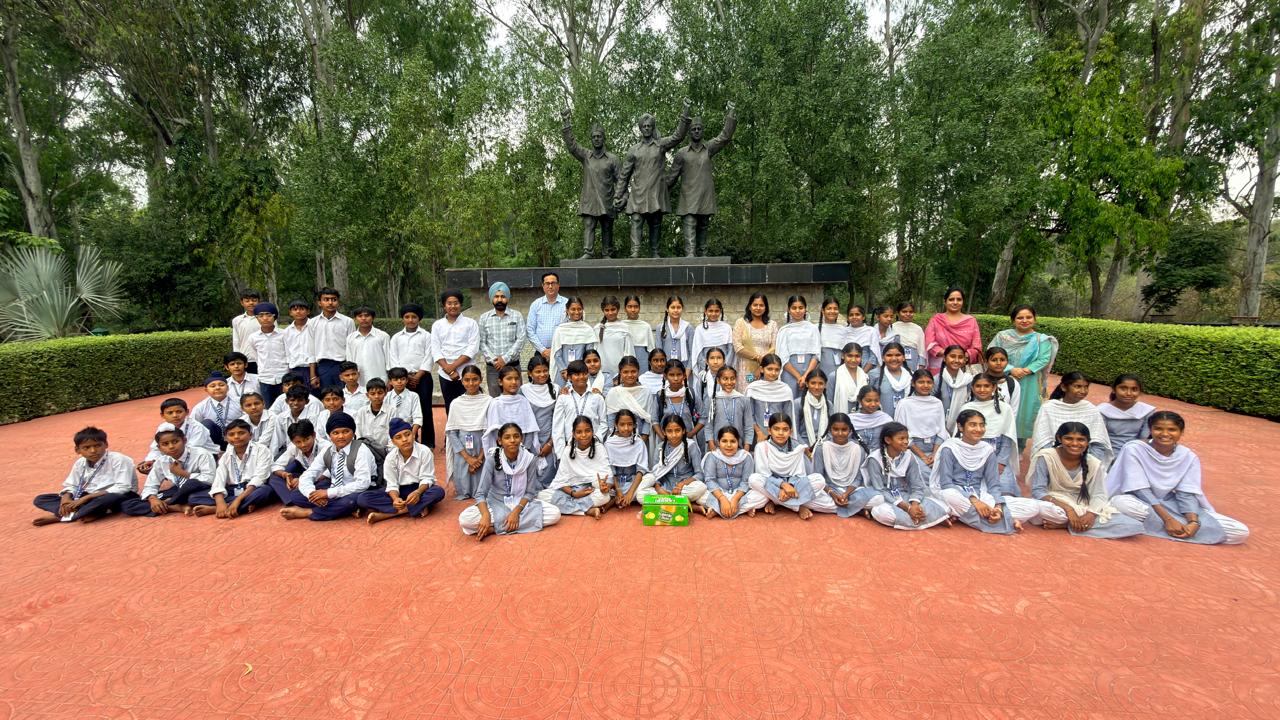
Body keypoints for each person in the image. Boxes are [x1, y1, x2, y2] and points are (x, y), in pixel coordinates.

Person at [1107, 411, 1249, 545]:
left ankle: (1171, 528)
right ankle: (1172, 527)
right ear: (1150, 430)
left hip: (1172, 504)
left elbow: (1186, 493)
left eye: (1172, 430)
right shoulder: (1134, 448)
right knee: (1121, 503)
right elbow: (1139, 489)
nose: (1165, 434)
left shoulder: (1188, 456)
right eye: (1158, 429)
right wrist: (1168, 519)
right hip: (1139, 500)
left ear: (1181, 432)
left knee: (1240, 532)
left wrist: (1193, 522)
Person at [1028, 422, 1143, 538]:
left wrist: (1091, 514)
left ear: (1088, 442)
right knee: (1044, 510)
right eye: (1069, 438)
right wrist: (1069, 509)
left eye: (1081, 440)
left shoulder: (1093, 463)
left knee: (1134, 525)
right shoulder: (1046, 457)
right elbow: (1038, 491)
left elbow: (1099, 494)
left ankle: (1067, 525)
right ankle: (1076, 523)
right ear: (1059, 438)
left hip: (1082, 505)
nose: (1075, 443)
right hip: (1054, 503)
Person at [937, 410, 1038, 533]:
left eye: (982, 425)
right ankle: (1006, 521)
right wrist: (974, 501)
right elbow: (946, 484)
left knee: (1033, 507)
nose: (978, 429)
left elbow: (993, 485)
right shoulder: (949, 448)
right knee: (948, 495)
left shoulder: (987, 450)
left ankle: (966, 516)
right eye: (973, 425)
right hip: (958, 495)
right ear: (960, 427)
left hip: (981, 495)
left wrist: (998, 507)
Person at [615, 101, 692, 257]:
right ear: (640, 128)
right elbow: (624, 175)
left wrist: (685, 112)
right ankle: (635, 251)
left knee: (655, 222)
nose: (646, 128)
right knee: (636, 220)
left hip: (656, 192)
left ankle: (655, 252)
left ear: (652, 127)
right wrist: (618, 195)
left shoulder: (660, 145)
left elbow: (678, 136)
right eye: (644, 126)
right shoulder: (633, 150)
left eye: (649, 126)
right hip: (638, 193)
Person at [458, 423, 562, 538]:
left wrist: (516, 513)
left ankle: (494, 529)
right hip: (496, 503)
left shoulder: (529, 459)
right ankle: (513, 524)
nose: (512, 440)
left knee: (555, 514)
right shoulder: (492, 459)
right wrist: (486, 515)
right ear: (500, 441)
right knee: (465, 519)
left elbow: (530, 493)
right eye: (507, 437)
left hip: (521, 504)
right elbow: (481, 493)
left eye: (516, 436)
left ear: (521, 439)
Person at [667, 104, 737, 256]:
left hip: (705, 195)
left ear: (702, 130)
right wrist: (658, 189)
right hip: (688, 196)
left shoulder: (708, 148)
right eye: (694, 129)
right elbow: (671, 177)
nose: (697, 131)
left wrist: (731, 113)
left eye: (699, 128)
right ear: (689, 132)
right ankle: (690, 254)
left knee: (704, 225)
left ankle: (703, 253)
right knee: (690, 223)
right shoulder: (681, 153)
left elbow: (725, 137)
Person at [280, 412, 376, 521]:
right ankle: (336, 508)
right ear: (329, 435)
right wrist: (312, 494)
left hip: (356, 491)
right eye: (335, 433)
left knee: (351, 501)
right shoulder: (328, 450)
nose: (341, 436)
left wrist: (328, 493)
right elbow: (308, 474)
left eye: (346, 431)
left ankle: (308, 512)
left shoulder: (361, 450)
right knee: (296, 495)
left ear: (353, 432)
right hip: (334, 488)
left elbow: (363, 483)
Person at [32, 427, 138, 526]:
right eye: (86, 447)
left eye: (97, 445)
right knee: (41, 499)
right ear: (77, 450)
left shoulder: (119, 459)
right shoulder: (80, 463)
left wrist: (86, 498)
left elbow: (123, 487)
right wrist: (65, 500)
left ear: (106, 444)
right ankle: (86, 512)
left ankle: (63, 516)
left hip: (117, 496)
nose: (93, 450)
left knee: (109, 498)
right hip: (89, 497)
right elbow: (71, 485)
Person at [988, 305, 1058, 445]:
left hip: (1029, 380)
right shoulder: (1002, 336)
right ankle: (996, 443)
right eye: (1020, 317)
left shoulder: (1042, 340)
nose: (1024, 320)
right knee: (1000, 407)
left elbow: (1044, 359)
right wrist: (1011, 369)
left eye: (1028, 317)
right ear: (1013, 320)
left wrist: (1025, 370)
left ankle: (1019, 446)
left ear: (1034, 319)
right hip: (1002, 377)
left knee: (1025, 412)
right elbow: (991, 352)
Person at [862, 422, 951, 530]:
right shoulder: (875, 459)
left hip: (905, 495)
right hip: (886, 498)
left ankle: (914, 518)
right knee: (882, 513)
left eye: (907, 438)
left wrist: (914, 505)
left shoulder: (909, 456)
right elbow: (880, 489)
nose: (906, 442)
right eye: (901, 439)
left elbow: (917, 486)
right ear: (888, 440)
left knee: (945, 506)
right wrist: (907, 508)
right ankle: (928, 519)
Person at [358, 418, 445, 524]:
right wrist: (395, 499)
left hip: (419, 489)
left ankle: (389, 514)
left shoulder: (424, 451)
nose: (404, 439)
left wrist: (418, 492)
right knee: (363, 499)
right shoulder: (391, 457)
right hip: (400, 490)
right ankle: (417, 507)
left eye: (407, 434)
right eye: (398, 437)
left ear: (413, 435)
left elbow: (427, 478)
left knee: (438, 492)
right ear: (393, 442)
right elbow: (392, 484)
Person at [747, 412, 832, 519]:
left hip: (793, 487)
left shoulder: (797, 447)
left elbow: (800, 475)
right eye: (776, 429)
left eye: (785, 429)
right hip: (773, 486)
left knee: (819, 480)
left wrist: (789, 486)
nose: (780, 433)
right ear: (769, 430)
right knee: (754, 479)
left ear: (790, 432)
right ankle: (798, 506)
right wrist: (783, 485)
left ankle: (775, 501)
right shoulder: (762, 447)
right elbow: (763, 475)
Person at [560, 111, 621, 258]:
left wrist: (620, 198)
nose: (596, 139)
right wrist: (567, 123)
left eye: (599, 136)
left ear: (604, 138)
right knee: (589, 225)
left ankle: (607, 253)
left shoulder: (613, 159)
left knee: (607, 227)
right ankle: (588, 252)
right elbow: (572, 146)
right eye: (594, 137)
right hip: (590, 199)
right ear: (591, 139)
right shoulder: (586, 156)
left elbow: (620, 180)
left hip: (607, 199)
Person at [122, 423, 217, 516]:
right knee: (128, 505)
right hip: (178, 491)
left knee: (192, 487)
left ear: (184, 440)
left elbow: (210, 479)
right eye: (165, 444)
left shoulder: (201, 454)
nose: (171, 446)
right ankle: (175, 507)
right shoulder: (162, 460)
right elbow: (150, 485)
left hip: (201, 489)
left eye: (175, 442)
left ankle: (169, 502)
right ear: (159, 448)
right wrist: (153, 499)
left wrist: (183, 473)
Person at [197, 419, 275, 518]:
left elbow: (259, 478)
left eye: (241, 433)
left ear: (250, 435)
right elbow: (219, 479)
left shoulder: (262, 450)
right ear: (226, 438)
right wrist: (220, 502)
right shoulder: (226, 456)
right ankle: (239, 506)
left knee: (265, 491)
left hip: (252, 488)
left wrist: (238, 500)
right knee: (194, 497)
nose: (236, 437)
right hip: (233, 489)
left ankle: (222, 508)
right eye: (231, 434)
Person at [539, 415, 612, 518]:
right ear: (573, 434)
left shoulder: (599, 448)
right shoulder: (568, 451)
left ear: (593, 431)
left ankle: (571, 507)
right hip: (571, 492)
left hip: (589, 491)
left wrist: (605, 487)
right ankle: (586, 510)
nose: (584, 435)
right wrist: (574, 494)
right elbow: (561, 481)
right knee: (541, 496)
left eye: (587, 431)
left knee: (604, 497)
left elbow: (608, 477)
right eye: (579, 432)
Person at [1032, 372, 1112, 464]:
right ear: (1063, 387)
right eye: (1077, 386)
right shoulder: (1049, 408)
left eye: (1086, 387)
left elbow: (1098, 442)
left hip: (1085, 461)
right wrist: (1055, 461)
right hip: (1053, 460)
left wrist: (1089, 463)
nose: (1083, 391)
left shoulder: (1091, 410)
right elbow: (1043, 440)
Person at [958, 374, 1019, 494]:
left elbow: (1007, 438)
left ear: (994, 387)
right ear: (972, 388)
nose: (982, 389)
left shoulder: (1005, 408)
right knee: (969, 493)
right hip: (971, 458)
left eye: (986, 386)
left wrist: (1001, 463)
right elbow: (962, 438)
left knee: (1005, 491)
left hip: (997, 457)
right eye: (978, 386)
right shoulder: (966, 408)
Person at [809, 413, 876, 518]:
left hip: (851, 491)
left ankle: (845, 506)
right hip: (828, 490)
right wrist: (833, 494)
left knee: (878, 499)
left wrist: (846, 494)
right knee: (809, 497)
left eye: (844, 430)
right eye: (835, 429)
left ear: (850, 431)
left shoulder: (858, 449)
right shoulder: (821, 448)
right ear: (830, 430)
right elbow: (819, 477)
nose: (840, 433)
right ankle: (857, 508)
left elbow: (858, 479)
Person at [388, 302, 436, 449]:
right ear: (403, 318)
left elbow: (429, 356)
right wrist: (405, 377)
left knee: (425, 409)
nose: (410, 320)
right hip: (402, 378)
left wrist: (418, 375)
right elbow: (393, 358)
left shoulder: (426, 336)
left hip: (423, 377)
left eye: (414, 317)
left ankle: (428, 443)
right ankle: (409, 439)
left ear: (419, 318)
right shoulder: (396, 337)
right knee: (404, 409)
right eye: (407, 317)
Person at [698, 426, 768, 518]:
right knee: (699, 494)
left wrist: (735, 499)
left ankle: (717, 509)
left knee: (763, 496)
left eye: (733, 441)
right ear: (718, 442)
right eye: (724, 441)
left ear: (738, 442)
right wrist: (722, 499)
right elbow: (710, 480)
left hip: (740, 495)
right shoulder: (712, 456)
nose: (729, 445)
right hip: (717, 494)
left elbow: (746, 481)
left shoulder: (745, 457)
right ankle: (740, 509)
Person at [444, 366, 491, 501]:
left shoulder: (489, 401)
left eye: (475, 379)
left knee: (483, 484)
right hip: (462, 449)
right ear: (462, 381)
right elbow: (452, 433)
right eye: (467, 380)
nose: (471, 383)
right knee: (463, 482)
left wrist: (479, 458)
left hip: (482, 447)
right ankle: (463, 490)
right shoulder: (456, 403)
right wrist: (468, 458)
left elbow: (490, 433)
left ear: (481, 379)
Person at [638, 415, 707, 504]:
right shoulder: (660, 448)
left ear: (683, 431)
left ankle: (668, 501)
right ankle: (683, 503)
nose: (674, 435)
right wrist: (658, 489)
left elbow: (700, 474)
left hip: (685, 487)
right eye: (669, 431)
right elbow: (656, 474)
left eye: (677, 430)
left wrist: (682, 484)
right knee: (640, 495)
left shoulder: (691, 446)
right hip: (666, 487)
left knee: (701, 487)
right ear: (664, 432)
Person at [894, 369, 948, 485]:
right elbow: (900, 434)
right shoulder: (904, 404)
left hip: (935, 447)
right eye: (921, 382)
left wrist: (934, 454)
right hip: (912, 449)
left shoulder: (937, 403)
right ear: (913, 384)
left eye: (929, 382)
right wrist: (923, 456)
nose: (925, 385)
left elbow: (941, 431)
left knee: (943, 470)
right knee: (924, 473)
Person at [431, 289, 480, 414]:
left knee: (470, 407)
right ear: (444, 306)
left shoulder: (471, 323)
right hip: (445, 374)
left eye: (456, 303)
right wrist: (449, 370)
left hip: (467, 373)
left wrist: (452, 367)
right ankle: (452, 427)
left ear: (461, 304)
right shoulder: (437, 325)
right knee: (451, 407)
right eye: (449, 303)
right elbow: (435, 349)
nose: (453, 306)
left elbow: (472, 348)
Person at [137, 398, 217, 473]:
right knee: (148, 466)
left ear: (187, 412)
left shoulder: (197, 427)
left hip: (202, 456)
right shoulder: (163, 428)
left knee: (167, 465)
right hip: (177, 456)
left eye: (179, 412)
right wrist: (151, 460)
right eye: (170, 413)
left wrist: (164, 462)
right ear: (162, 415)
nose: (175, 415)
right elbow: (156, 448)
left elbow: (192, 450)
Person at [477, 282, 526, 397]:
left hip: (513, 366)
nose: (500, 300)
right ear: (492, 298)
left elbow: (521, 339)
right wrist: (495, 360)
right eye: (496, 296)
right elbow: (481, 342)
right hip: (493, 368)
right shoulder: (484, 318)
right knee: (496, 400)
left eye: (503, 296)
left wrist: (505, 359)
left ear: (507, 298)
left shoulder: (517, 316)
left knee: (516, 398)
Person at [267, 420, 331, 506]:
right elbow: (276, 466)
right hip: (305, 476)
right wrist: (285, 475)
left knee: (326, 483)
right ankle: (291, 500)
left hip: (321, 478)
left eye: (306, 439)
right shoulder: (293, 448)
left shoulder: (325, 446)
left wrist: (302, 480)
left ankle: (295, 497)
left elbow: (330, 471)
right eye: (298, 442)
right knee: (275, 477)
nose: (303, 445)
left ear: (314, 435)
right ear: (292, 441)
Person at [553, 361, 607, 456]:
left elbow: (604, 423)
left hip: (593, 446)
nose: (581, 377)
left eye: (584, 374)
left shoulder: (597, 397)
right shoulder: (563, 398)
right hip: (570, 448)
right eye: (577, 374)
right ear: (569, 377)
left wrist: (595, 439)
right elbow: (558, 427)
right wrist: (561, 454)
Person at [923, 287, 983, 372]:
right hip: (939, 366)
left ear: (963, 301)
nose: (955, 302)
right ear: (945, 301)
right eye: (951, 299)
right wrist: (948, 355)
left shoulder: (971, 321)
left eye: (959, 299)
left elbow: (976, 347)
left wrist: (962, 357)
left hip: (963, 366)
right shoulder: (936, 320)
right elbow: (929, 343)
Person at [308, 287, 356, 393]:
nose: (330, 303)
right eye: (326, 299)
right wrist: (313, 375)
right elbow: (311, 350)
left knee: (345, 395)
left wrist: (351, 370)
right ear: (319, 302)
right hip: (323, 366)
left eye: (334, 299)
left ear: (338, 302)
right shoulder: (312, 323)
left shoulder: (348, 322)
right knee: (327, 396)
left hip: (343, 365)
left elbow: (352, 347)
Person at [522, 356, 560, 485]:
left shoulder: (556, 389)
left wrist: (550, 443)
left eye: (545, 371)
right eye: (538, 371)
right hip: (529, 441)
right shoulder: (523, 391)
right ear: (530, 373)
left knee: (550, 474)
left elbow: (559, 419)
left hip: (551, 440)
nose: (542, 374)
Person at [652, 359, 702, 457]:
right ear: (665, 376)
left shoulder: (691, 393)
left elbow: (703, 416)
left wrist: (691, 433)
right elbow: (654, 420)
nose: (675, 378)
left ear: (684, 376)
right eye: (671, 375)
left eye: (679, 375)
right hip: (667, 443)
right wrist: (663, 437)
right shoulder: (660, 395)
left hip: (688, 442)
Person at [1098, 374, 1154, 459]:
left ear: (1140, 391)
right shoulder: (1102, 410)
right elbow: (1100, 440)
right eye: (1123, 388)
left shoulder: (1147, 411)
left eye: (1134, 389)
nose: (1128, 393)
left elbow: (1143, 438)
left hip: (1135, 453)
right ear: (1114, 389)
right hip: (1106, 454)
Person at [775, 295, 820, 398]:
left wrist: (805, 376)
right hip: (789, 372)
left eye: (801, 307)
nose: (798, 311)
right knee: (790, 399)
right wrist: (799, 377)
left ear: (805, 309)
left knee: (808, 401)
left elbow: (816, 355)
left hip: (809, 371)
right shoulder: (784, 330)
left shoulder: (813, 328)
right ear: (789, 310)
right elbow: (782, 357)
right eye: (794, 308)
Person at [605, 356, 656, 445]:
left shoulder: (646, 392)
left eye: (633, 371)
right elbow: (611, 418)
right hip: (618, 439)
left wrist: (642, 440)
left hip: (640, 438)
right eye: (625, 372)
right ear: (620, 372)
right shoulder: (614, 392)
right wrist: (617, 438)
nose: (630, 375)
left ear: (638, 372)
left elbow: (648, 419)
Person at [550, 296, 597, 389]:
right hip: (563, 374)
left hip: (581, 373)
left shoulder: (587, 330)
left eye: (579, 309)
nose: (576, 312)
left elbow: (589, 354)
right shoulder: (560, 330)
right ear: (567, 310)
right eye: (573, 309)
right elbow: (557, 353)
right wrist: (564, 370)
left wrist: (580, 371)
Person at [745, 354, 793, 446]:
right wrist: (759, 432)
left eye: (777, 370)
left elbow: (788, 416)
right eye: (770, 369)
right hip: (757, 435)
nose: (773, 373)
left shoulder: (785, 390)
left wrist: (778, 433)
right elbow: (749, 415)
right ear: (762, 369)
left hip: (779, 436)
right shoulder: (753, 389)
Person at [605, 410, 649, 509]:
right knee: (603, 486)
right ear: (616, 425)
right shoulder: (609, 443)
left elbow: (641, 470)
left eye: (629, 424)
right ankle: (620, 497)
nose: (626, 428)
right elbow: (611, 471)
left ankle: (619, 499)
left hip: (634, 484)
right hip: (616, 485)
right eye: (622, 424)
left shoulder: (638, 442)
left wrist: (630, 493)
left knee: (650, 478)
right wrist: (618, 490)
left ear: (634, 425)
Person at [249, 301, 288, 408]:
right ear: (256, 318)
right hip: (265, 378)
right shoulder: (253, 338)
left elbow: (289, 354)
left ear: (275, 317)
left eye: (268, 315)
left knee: (286, 406)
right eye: (261, 315)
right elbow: (256, 356)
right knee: (268, 408)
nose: (265, 318)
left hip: (283, 376)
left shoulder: (284, 334)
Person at [702, 365, 750, 452]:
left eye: (732, 378)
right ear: (718, 381)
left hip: (738, 448)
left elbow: (748, 426)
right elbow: (708, 426)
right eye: (725, 379)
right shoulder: (713, 400)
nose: (729, 382)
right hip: (717, 447)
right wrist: (712, 446)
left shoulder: (743, 399)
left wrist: (746, 448)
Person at [732, 293, 777, 384]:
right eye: (755, 305)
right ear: (749, 306)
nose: (758, 308)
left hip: (766, 368)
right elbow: (737, 347)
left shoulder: (772, 325)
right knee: (747, 388)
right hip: (745, 367)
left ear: (766, 307)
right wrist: (757, 357)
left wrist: (762, 364)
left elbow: (774, 347)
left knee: (763, 390)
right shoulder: (741, 323)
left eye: (761, 305)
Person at [190, 372, 242, 450]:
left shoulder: (239, 402)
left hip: (237, 436)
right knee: (207, 424)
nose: (217, 388)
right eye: (212, 386)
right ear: (206, 390)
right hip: (214, 441)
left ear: (227, 387)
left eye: (221, 385)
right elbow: (192, 426)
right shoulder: (200, 407)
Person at [268, 385, 322, 455]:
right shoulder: (281, 417)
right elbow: (276, 440)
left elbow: (315, 439)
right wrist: (272, 457)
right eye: (292, 400)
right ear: (287, 401)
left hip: (308, 450)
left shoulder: (313, 417)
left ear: (307, 401)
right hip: (289, 452)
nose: (296, 403)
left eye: (300, 400)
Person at [344, 306, 390, 386]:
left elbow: (388, 359)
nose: (363, 318)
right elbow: (350, 360)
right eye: (360, 316)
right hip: (359, 381)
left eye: (367, 315)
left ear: (373, 318)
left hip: (380, 378)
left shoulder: (383, 336)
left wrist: (390, 378)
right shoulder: (350, 338)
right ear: (355, 319)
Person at [526, 272, 567, 362]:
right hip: (541, 353)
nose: (550, 286)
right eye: (547, 283)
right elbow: (530, 330)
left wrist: (556, 349)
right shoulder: (536, 304)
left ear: (558, 285)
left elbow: (569, 330)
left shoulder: (567, 304)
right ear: (543, 286)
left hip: (562, 352)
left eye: (553, 283)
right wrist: (542, 350)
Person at [816, 297, 851, 401]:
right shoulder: (815, 328)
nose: (832, 311)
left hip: (839, 370)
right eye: (829, 308)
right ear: (823, 311)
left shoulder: (843, 330)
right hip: (820, 369)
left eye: (835, 308)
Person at [690, 298, 735, 377]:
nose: (713, 314)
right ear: (705, 311)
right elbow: (698, 353)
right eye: (710, 311)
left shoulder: (727, 328)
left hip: (724, 370)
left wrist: (723, 367)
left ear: (720, 311)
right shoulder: (699, 329)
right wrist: (708, 367)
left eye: (716, 311)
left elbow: (731, 351)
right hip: (706, 371)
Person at [867, 342, 912, 418]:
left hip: (905, 420)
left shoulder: (910, 376)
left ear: (904, 357)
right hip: (880, 421)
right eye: (889, 355)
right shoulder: (875, 375)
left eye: (898, 355)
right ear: (883, 358)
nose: (894, 359)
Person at [935, 345, 973, 435]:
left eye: (960, 357)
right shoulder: (936, 380)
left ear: (964, 360)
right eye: (952, 356)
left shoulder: (968, 380)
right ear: (944, 358)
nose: (956, 360)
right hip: (938, 427)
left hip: (962, 426)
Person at [595, 295, 634, 380]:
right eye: (607, 310)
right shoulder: (597, 329)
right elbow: (595, 352)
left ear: (618, 309)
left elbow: (629, 352)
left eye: (613, 309)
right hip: (601, 372)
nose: (610, 313)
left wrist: (626, 370)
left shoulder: (624, 328)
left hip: (620, 372)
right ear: (603, 310)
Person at [849, 387, 893, 455]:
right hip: (856, 457)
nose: (873, 404)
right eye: (868, 401)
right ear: (859, 400)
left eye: (876, 401)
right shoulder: (851, 420)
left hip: (879, 458)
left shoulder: (885, 419)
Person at [353, 378, 393, 451]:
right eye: (372, 394)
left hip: (386, 450)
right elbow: (358, 433)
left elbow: (393, 433)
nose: (376, 396)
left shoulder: (392, 411)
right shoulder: (361, 412)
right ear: (367, 395)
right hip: (365, 450)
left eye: (380, 393)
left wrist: (388, 450)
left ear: (385, 393)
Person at [282, 298, 314, 387]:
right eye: (295, 309)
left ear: (308, 311)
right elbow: (287, 353)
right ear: (290, 312)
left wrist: (313, 374)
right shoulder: (287, 331)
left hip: (312, 368)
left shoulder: (314, 326)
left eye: (302, 309)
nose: (298, 312)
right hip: (295, 369)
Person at [793, 370, 830, 448]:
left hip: (824, 446)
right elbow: (794, 431)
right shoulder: (798, 403)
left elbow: (831, 430)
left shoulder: (829, 405)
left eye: (820, 383)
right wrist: (805, 448)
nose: (817, 387)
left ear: (825, 385)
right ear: (807, 384)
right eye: (813, 383)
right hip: (802, 447)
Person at [386, 367, 424, 442]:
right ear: (390, 382)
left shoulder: (413, 396)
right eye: (395, 380)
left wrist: (412, 435)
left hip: (409, 432)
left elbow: (418, 418)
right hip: (390, 434)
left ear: (407, 380)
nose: (399, 382)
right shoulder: (386, 397)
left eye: (402, 379)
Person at [654, 295, 693, 366]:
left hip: (684, 367)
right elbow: (658, 353)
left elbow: (692, 352)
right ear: (667, 309)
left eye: (678, 307)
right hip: (666, 368)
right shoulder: (660, 328)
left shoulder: (688, 328)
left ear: (682, 309)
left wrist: (688, 369)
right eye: (673, 307)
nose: (676, 310)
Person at [831, 343, 869, 414]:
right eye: (850, 356)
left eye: (857, 356)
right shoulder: (834, 376)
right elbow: (829, 402)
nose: (853, 360)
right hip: (841, 418)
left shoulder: (865, 377)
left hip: (861, 417)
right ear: (843, 356)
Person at [231, 288, 261, 373]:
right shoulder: (237, 320)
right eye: (247, 301)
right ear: (242, 303)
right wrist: (237, 359)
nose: (251, 303)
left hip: (263, 359)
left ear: (259, 301)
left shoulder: (266, 318)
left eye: (254, 300)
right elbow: (236, 341)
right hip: (245, 359)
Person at [620, 295, 654, 369]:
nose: (633, 310)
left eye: (636, 306)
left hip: (642, 361)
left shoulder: (646, 326)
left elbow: (651, 350)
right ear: (625, 309)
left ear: (639, 308)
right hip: (624, 361)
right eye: (629, 306)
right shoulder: (620, 326)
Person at [891, 301, 926, 371]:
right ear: (898, 313)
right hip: (895, 360)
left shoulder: (918, 329)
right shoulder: (892, 327)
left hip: (913, 361)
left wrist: (921, 366)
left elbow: (921, 349)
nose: (908, 314)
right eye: (904, 312)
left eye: (911, 312)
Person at [845, 304, 880, 371]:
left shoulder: (871, 331)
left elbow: (874, 356)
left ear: (863, 317)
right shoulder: (844, 332)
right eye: (851, 315)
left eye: (857, 314)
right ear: (848, 318)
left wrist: (863, 373)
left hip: (867, 370)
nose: (854, 317)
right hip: (847, 370)